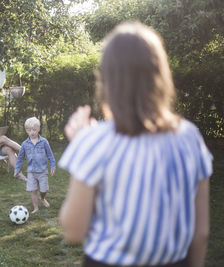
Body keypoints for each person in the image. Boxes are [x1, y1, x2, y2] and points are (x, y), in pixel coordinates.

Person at [58, 22, 212, 267]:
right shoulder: (190, 137)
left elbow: (73, 230)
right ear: (160, 75)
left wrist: (81, 145)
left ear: (108, 80)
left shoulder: (95, 141)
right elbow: (201, 232)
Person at [14, 117, 56, 214]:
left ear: (39, 129)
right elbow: (20, 158)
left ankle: (42, 198)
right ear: (26, 130)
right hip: (31, 172)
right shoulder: (25, 144)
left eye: (34, 130)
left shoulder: (44, 142)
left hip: (42, 171)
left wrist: (53, 166)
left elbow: (50, 155)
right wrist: (17, 170)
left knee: (43, 189)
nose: (32, 132)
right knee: (33, 190)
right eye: (29, 130)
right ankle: (36, 207)